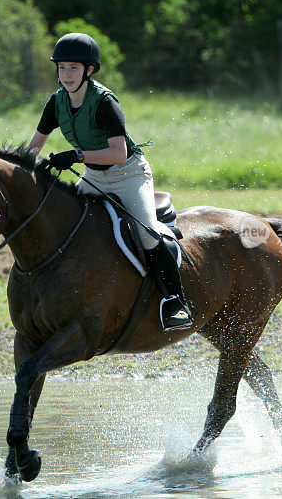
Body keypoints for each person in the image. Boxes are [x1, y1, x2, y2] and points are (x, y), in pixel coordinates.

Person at [27, 32, 193, 331]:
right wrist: (24, 167)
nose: (66, 74)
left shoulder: (104, 102)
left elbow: (118, 153)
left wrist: (76, 156)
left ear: (89, 70)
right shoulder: (56, 103)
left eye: (73, 68)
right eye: (62, 68)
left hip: (129, 174)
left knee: (146, 235)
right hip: (93, 176)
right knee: (67, 228)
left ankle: (176, 302)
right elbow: (34, 146)